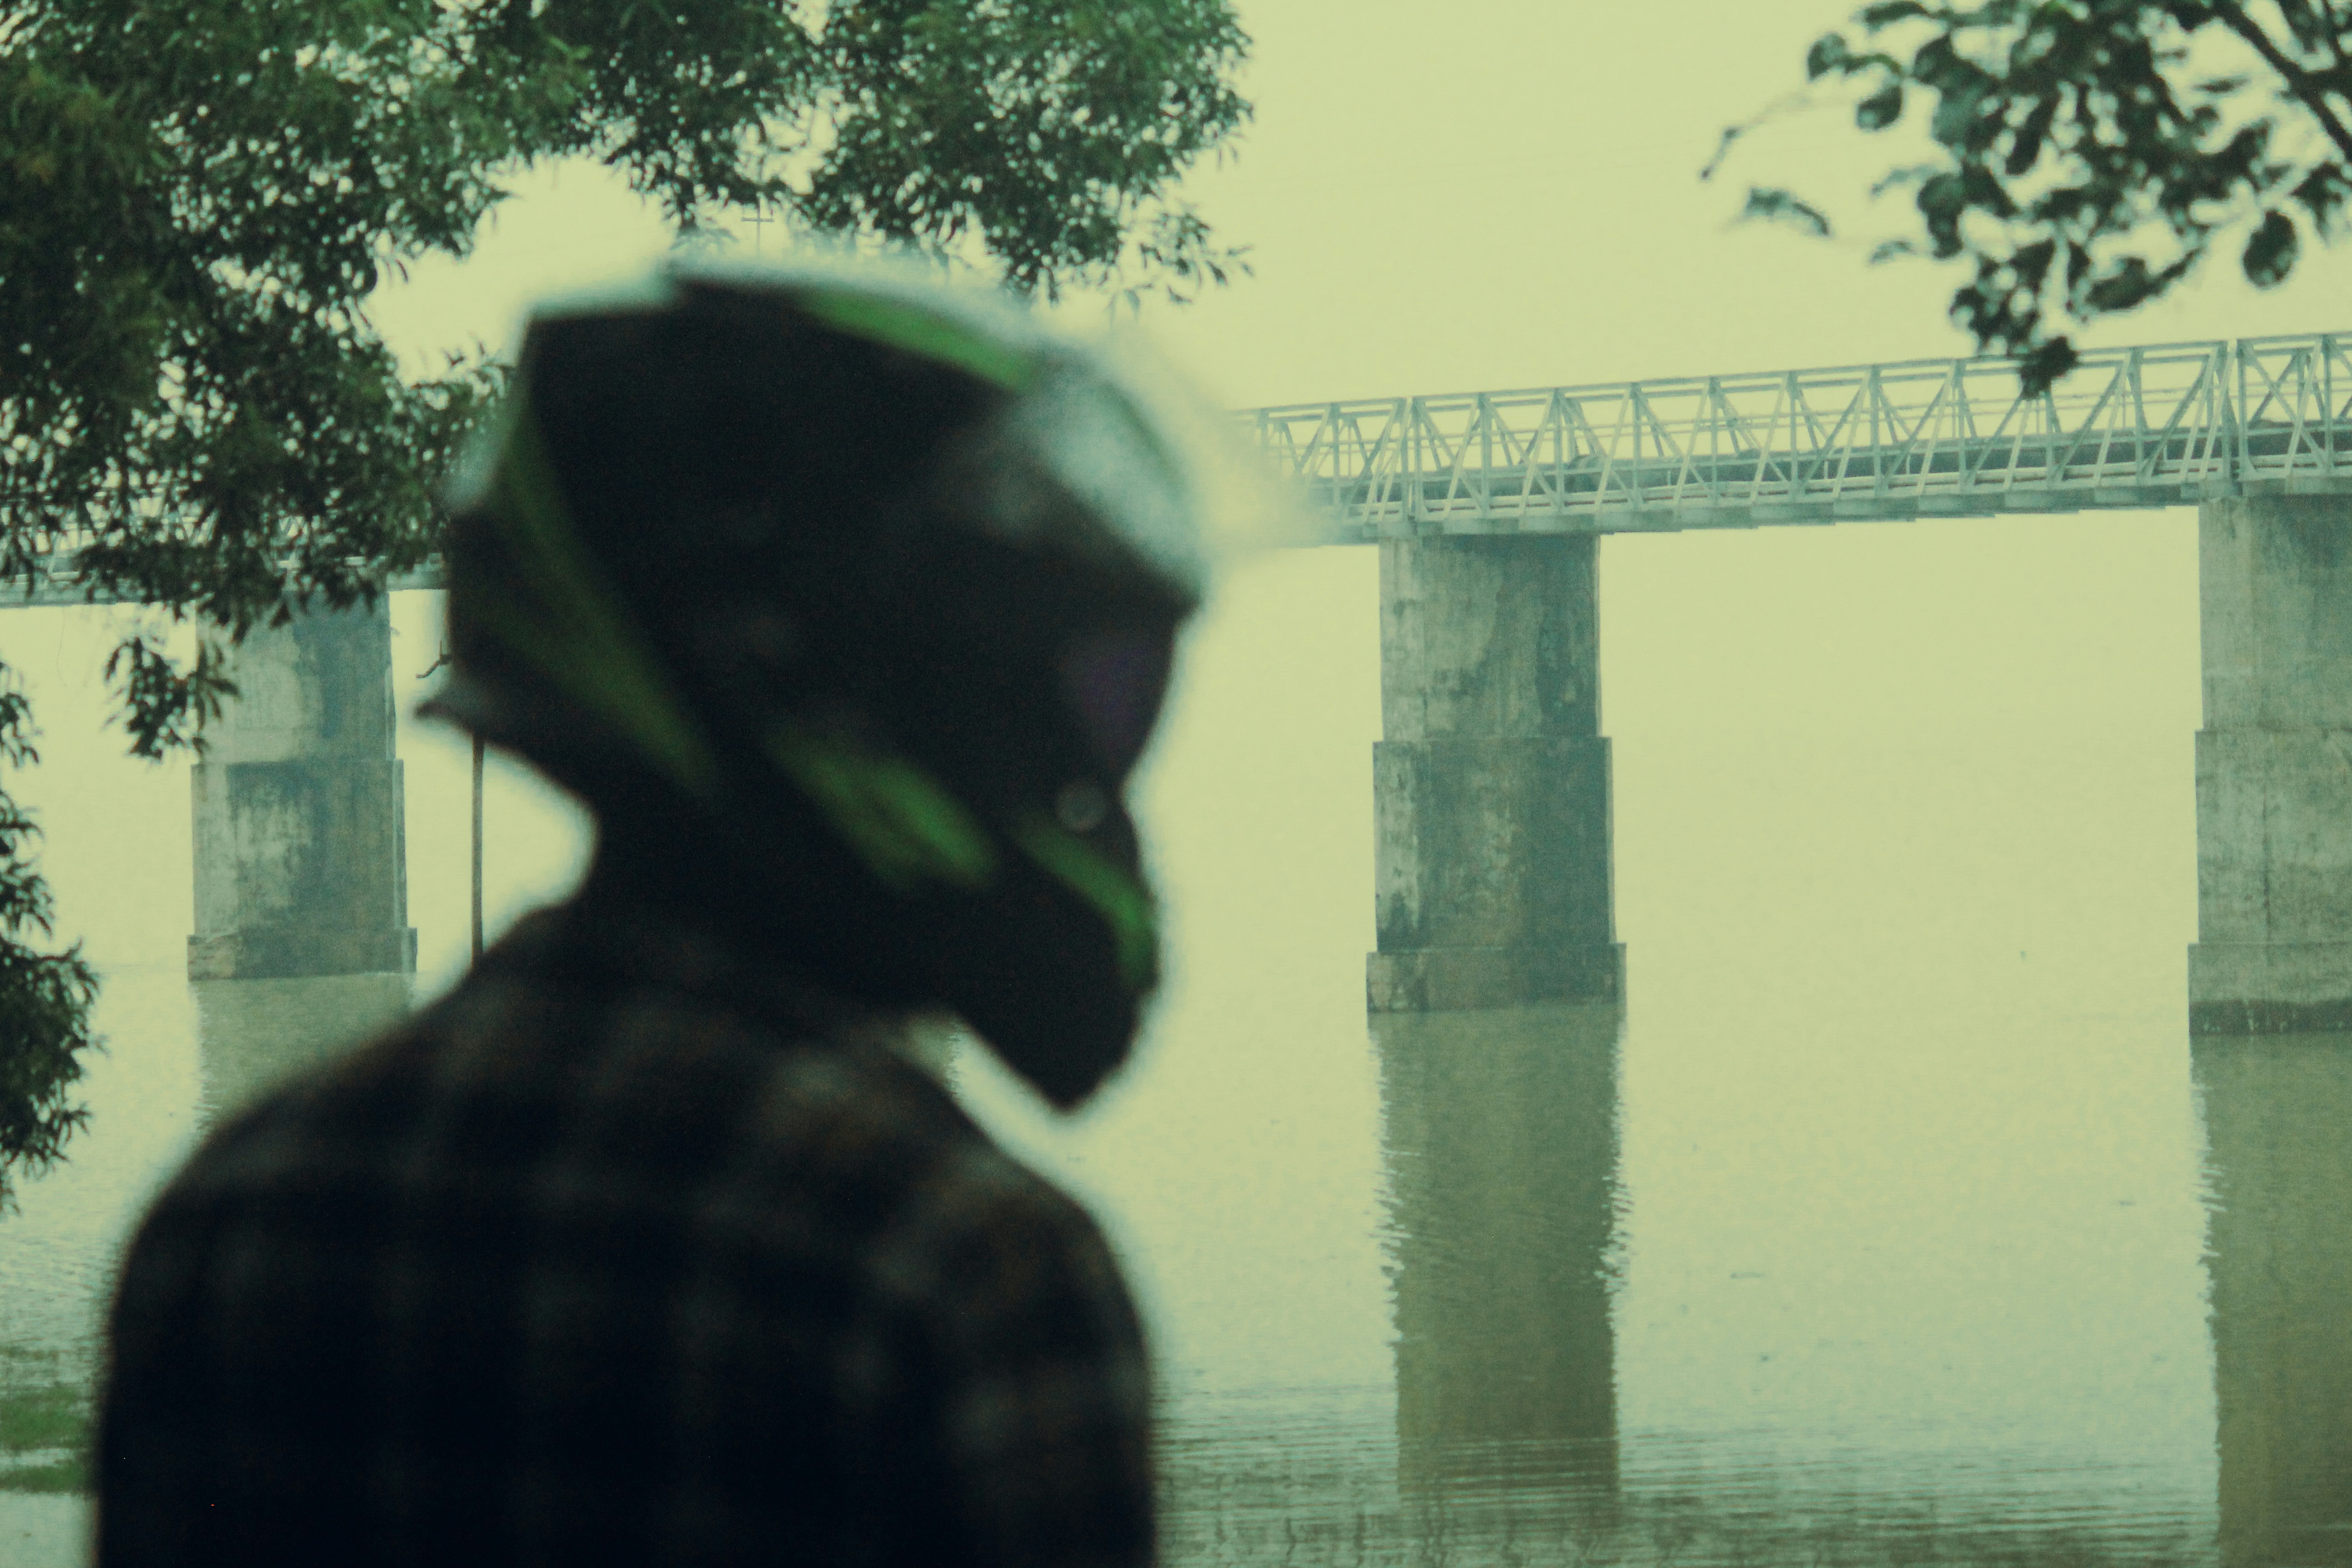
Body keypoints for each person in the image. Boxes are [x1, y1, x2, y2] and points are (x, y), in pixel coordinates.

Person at [97, 259, 1213, 1567]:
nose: (1065, 771)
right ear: (806, 687)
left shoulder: (239, 1212)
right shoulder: (959, 1267)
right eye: (1014, 697)